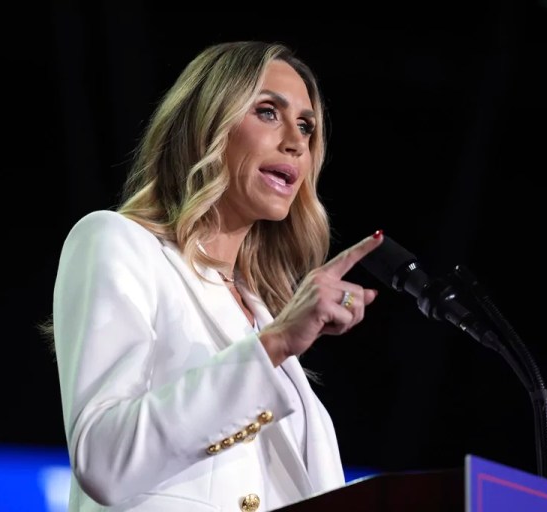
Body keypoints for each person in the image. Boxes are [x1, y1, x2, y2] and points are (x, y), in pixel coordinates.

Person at [48, 40, 384, 512]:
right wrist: (275, 343)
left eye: (307, 127)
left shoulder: (258, 309)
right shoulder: (116, 242)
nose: (295, 141)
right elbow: (103, 459)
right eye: (268, 112)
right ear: (206, 125)